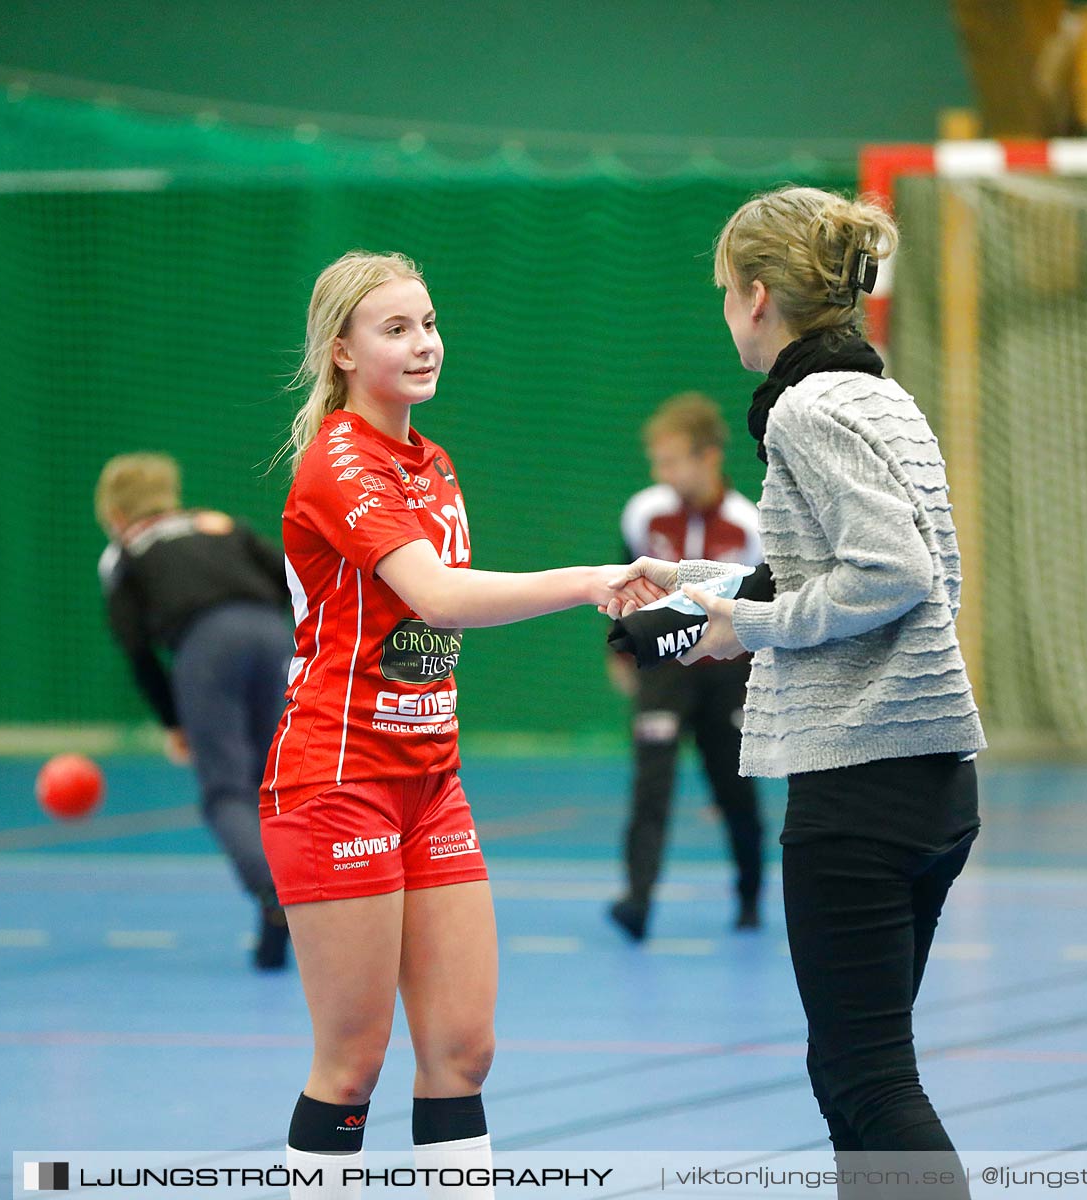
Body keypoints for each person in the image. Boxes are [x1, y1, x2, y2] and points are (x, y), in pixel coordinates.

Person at [262, 252, 660, 1198]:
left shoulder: (432, 464)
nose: (423, 343)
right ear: (343, 353)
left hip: (430, 780)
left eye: (429, 323)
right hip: (338, 778)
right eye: (395, 329)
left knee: (462, 1052)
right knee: (351, 1063)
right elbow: (435, 596)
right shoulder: (338, 460)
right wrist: (589, 581)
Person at [612, 187, 984, 1191]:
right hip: (930, 778)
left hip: (865, 779)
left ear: (758, 295)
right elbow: (835, 567)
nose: (723, 311)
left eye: (724, 293)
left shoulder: (806, 410)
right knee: (853, 1075)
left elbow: (893, 575)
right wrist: (693, 590)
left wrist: (747, 625)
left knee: (869, 1081)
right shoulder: (876, 395)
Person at [95, 452, 295, 970]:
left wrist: (173, 720)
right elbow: (291, 581)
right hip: (275, 639)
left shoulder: (124, 554)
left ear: (115, 514)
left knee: (227, 791)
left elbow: (137, 650)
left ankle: (277, 896)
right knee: (277, 785)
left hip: (207, 649)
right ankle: (285, 920)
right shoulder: (221, 526)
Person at [606, 393, 764, 941]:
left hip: (726, 674)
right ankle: (637, 899)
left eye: (672, 459)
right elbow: (625, 589)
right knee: (651, 783)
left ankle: (749, 894)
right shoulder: (643, 512)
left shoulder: (750, 525)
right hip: (664, 669)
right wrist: (621, 650)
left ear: (708, 457)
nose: (661, 471)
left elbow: (763, 604)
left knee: (733, 787)